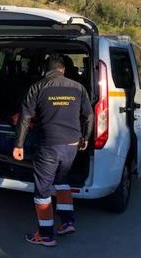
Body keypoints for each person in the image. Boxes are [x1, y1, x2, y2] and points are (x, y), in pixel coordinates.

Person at [13, 53, 94, 247]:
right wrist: (85, 138)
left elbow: (24, 118)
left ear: (45, 70)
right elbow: (89, 116)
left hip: (49, 145)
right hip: (72, 145)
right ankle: (67, 222)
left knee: (42, 189)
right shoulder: (78, 88)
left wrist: (18, 145)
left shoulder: (38, 87)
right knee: (62, 181)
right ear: (63, 69)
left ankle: (46, 235)